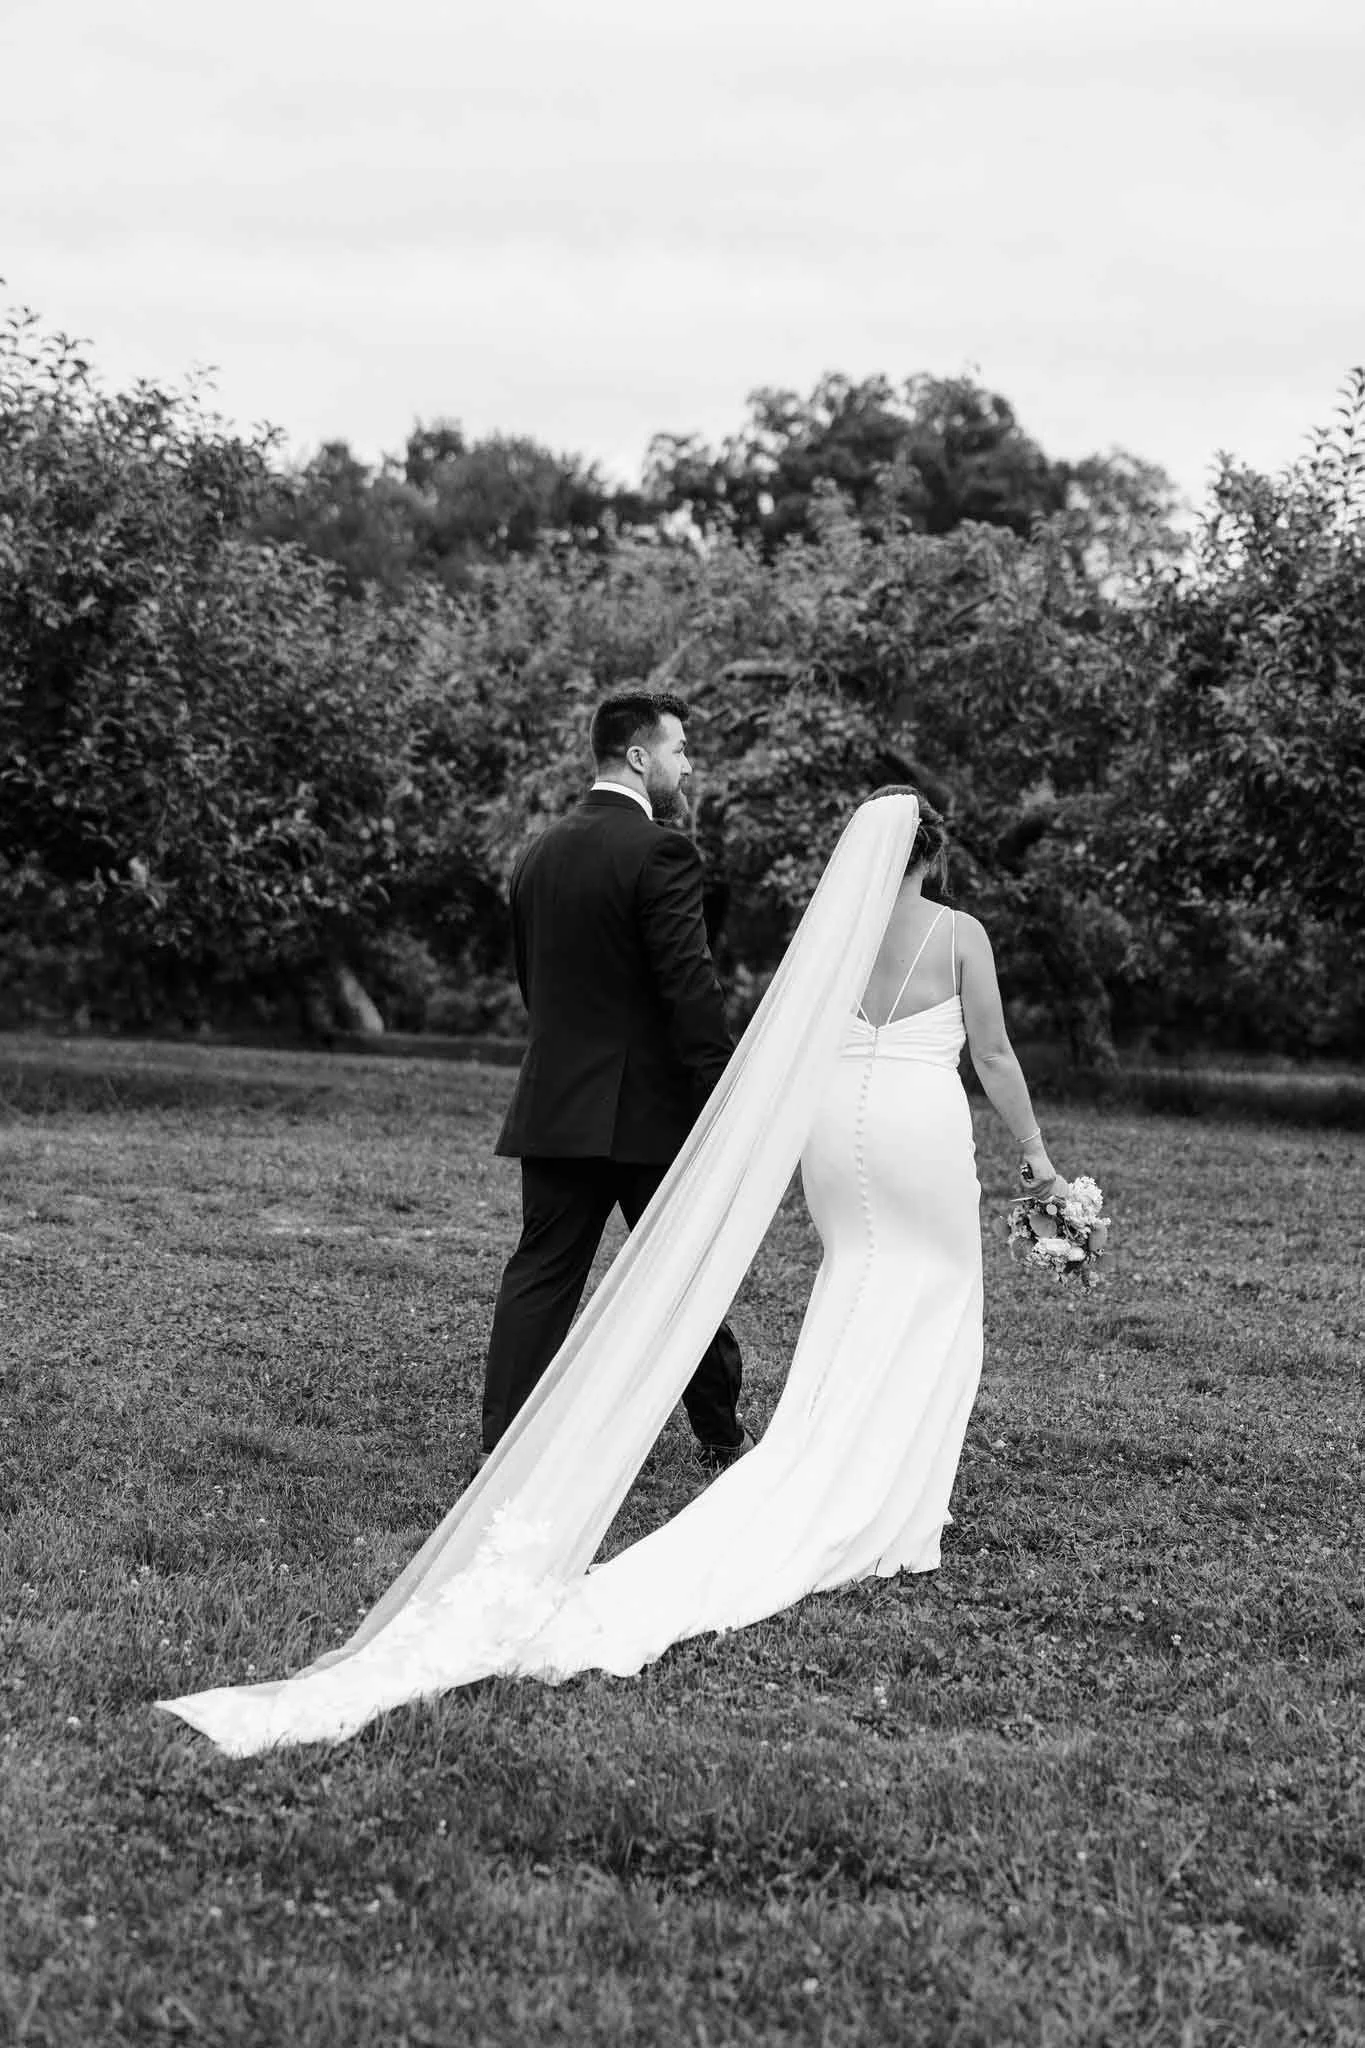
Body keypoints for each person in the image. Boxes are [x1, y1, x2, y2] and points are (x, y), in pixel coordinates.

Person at [157, 785, 1068, 1753]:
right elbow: (997, 1054)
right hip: (919, 1126)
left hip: (839, 1137)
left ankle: (820, 1443)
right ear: (936, 852)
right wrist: (1042, 1157)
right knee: (935, 1293)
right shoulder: (960, 931)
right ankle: (891, 1496)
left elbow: (787, 1044)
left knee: (854, 1278)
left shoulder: (833, 932)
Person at [480, 688, 750, 1470]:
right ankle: (723, 1438)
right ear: (638, 757)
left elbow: (535, 979)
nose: (687, 765)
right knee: (681, 1277)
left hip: (558, 1102)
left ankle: (500, 1452)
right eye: (678, 750)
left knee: (540, 1275)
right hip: (649, 1114)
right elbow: (688, 990)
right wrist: (720, 1099)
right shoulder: (659, 850)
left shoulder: (539, 851)